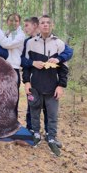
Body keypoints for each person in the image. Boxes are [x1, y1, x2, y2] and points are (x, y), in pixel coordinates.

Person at [21, 17, 73, 148]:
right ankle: (36, 134)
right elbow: (26, 65)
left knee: (52, 114)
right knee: (34, 112)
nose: (45, 25)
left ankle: (51, 137)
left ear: (52, 25)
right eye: (43, 23)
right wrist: (27, 82)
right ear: (38, 26)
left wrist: (61, 85)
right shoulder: (31, 43)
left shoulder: (59, 44)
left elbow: (64, 68)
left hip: (52, 86)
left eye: (48, 23)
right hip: (35, 85)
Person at [0, 13, 26, 116]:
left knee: (11, 101)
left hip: (12, 70)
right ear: (7, 22)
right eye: (11, 20)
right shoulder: (7, 34)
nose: (13, 23)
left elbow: (6, 44)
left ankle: (12, 128)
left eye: (16, 21)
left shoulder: (20, 35)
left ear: (19, 23)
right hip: (0, 70)